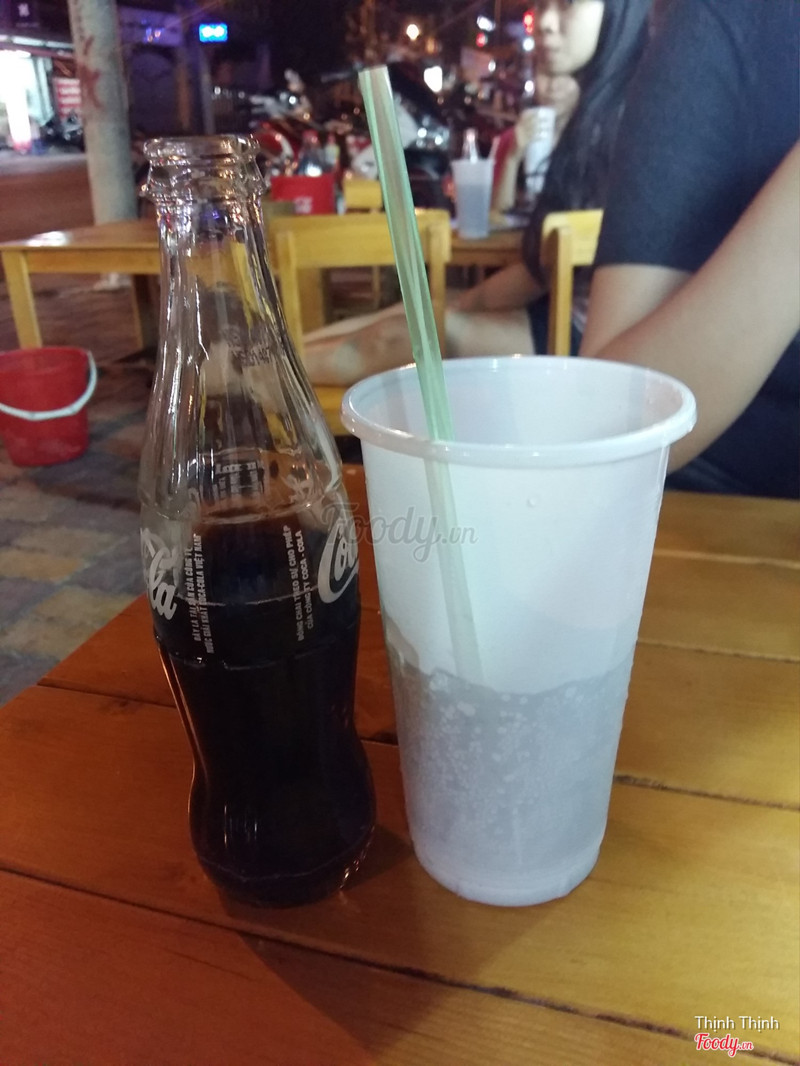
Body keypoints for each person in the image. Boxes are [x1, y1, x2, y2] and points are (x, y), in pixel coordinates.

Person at [304, 0, 652, 387]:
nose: (545, 23)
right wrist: (462, 304)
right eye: (542, 4)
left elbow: (552, 264)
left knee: (400, 335)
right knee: (413, 313)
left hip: (585, 340)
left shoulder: (633, 120)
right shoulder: (594, 120)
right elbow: (543, 266)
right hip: (553, 305)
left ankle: (263, 376)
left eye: (567, 4)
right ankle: (280, 355)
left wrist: (462, 307)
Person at [581, 0, 799, 499]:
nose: (546, 26)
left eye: (564, 8)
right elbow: (540, 256)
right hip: (728, 493)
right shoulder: (726, 25)